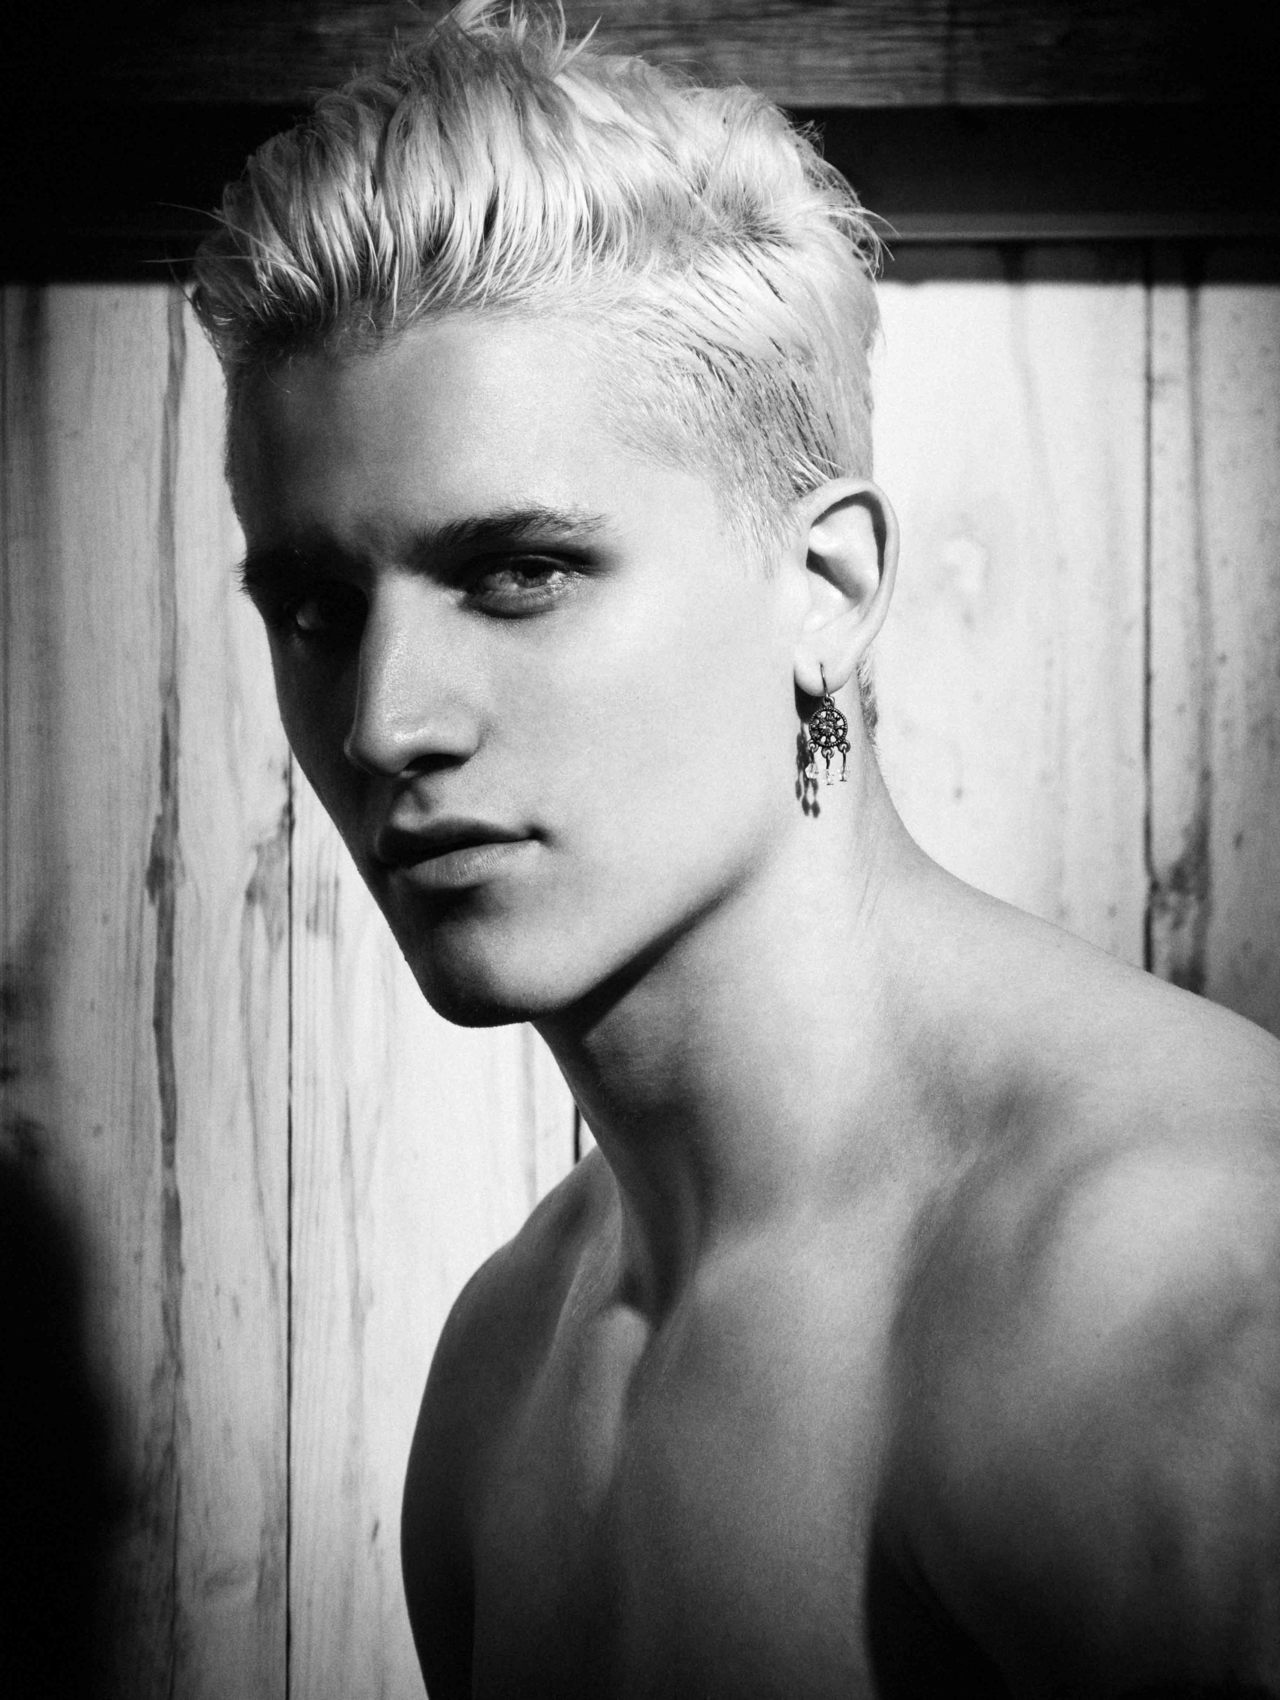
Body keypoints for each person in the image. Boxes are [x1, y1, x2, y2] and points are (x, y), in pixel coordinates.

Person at [192, 3, 1280, 1693]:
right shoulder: (503, 1361)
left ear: (825, 591)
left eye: (518, 573)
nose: (385, 721)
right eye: (317, 607)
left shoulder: (1172, 1296)